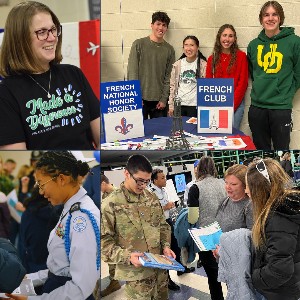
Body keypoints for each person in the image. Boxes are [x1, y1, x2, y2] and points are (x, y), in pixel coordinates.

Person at [0, 1, 100, 150]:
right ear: (20, 39)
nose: (52, 37)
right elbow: (17, 154)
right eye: (42, 32)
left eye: (53, 29)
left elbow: (102, 139)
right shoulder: (6, 93)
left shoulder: (73, 74)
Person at [7, 151, 100, 300]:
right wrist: (27, 280)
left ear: (61, 179)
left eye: (42, 184)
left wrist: (31, 299)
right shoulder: (69, 209)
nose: (41, 192)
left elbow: (80, 288)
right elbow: (61, 268)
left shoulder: (81, 217)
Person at [101, 154, 174, 300]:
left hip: (160, 270)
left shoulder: (151, 197)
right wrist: (127, 256)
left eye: (147, 182)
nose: (143, 186)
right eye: (139, 181)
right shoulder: (111, 204)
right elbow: (104, 243)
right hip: (137, 276)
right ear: (127, 173)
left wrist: (166, 246)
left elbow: (163, 226)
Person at [247, 1, 300, 149]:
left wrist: (286, 93)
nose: (270, 18)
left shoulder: (295, 42)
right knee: (260, 152)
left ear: (280, 18)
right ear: (261, 19)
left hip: (280, 108)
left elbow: (298, 73)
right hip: (257, 107)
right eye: (266, 15)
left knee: (281, 152)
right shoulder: (253, 45)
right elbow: (253, 72)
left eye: (274, 14)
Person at [246, 158, 300, 300]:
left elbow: (280, 270)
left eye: (248, 187)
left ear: (259, 189)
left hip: (281, 292)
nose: (246, 191)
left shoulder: (278, 218)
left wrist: (253, 277)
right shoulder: (286, 208)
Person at [188, 156, 226, 300]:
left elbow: (192, 218)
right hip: (225, 232)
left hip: (206, 238)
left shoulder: (195, 188)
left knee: (212, 275)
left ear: (198, 169)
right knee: (227, 270)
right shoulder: (223, 183)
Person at [127, 11, 175, 119]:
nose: (161, 28)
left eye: (164, 25)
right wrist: (135, 96)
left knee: (159, 133)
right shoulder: (139, 44)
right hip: (140, 99)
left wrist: (163, 99)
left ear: (166, 28)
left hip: (159, 102)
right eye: (158, 24)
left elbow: (169, 76)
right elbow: (132, 72)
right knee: (139, 134)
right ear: (152, 25)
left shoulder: (169, 49)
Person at [206, 24, 248, 129]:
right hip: (217, 104)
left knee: (231, 137)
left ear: (234, 39)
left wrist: (231, 106)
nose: (227, 39)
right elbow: (208, 83)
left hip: (235, 104)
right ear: (219, 37)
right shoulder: (212, 58)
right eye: (224, 35)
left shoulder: (241, 56)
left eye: (230, 36)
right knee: (217, 135)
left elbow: (242, 83)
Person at [149, 169, 184, 291]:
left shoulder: (163, 190)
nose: (165, 179)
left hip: (168, 222)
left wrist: (170, 205)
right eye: (162, 177)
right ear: (155, 180)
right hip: (158, 225)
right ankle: (167, 279)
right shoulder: (150, 193)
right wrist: (165, 207)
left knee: (176, 245)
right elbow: (150, 212)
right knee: (164, 251)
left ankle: (180, 268)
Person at [168, 36, 207, 117]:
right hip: (179, 105)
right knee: (179, 129)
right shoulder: (177, 64)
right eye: (186, 45)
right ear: (183, 47)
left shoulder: (204, 65)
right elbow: (173, 86)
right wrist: (171, 105)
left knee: (192, 129)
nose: (188, 48)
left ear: (197, 47)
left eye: (192, 45)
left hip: (195, 105)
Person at [99, 173, 121, 298]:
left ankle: (116, 282)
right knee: (111, 259)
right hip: (108, 233)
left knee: (116, 259)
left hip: (117, 234)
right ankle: (115, 281)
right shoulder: (105, 195)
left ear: (103, 183)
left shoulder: (117, 194)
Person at [216, 164, 253, 233]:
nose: (228, 187)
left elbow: (253, 238)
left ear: (245, 185)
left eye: (233, 184)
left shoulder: (250, 207)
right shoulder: (224, 201)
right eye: (226, 182)